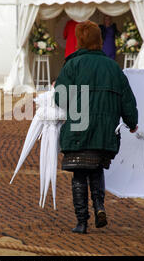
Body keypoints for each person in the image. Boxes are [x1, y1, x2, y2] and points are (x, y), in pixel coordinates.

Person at [54, 21, 138, 234]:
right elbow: (127, 100)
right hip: (105, 132)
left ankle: (82, 222)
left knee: (79, 175)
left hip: (78, 130)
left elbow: (61, 100)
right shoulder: (113, 67)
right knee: (96, 168)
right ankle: (99, 206)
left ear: (80, 41)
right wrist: (132, 123)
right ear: (99, 40)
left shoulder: (72, 65)